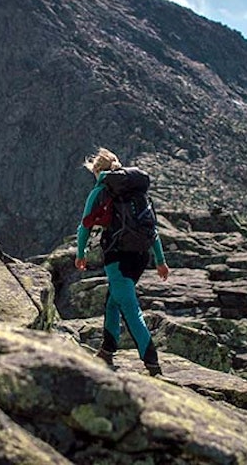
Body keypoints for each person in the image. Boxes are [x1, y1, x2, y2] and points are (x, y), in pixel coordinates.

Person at [74, 148, 170, 376]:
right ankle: (107, 349)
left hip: (117, 255)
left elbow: (85, 226)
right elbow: (152, 229)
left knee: (129, 308)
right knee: (113, 300)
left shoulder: (101, 191)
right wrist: (160, 260)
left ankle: (152, 363)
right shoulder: (138, 193)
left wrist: (81, 253)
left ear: (98, 170)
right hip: (140, 257)